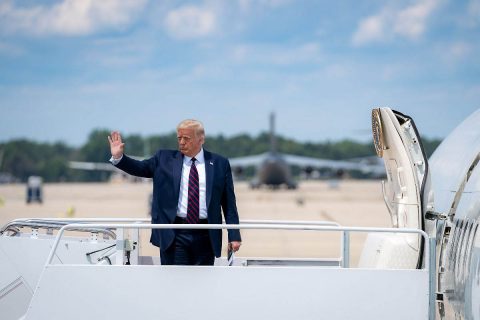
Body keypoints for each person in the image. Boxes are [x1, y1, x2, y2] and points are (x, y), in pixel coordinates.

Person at [108, 119, 241, 265]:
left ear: (201, 139)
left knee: (203, 285)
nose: (182, 142)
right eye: (179, 138)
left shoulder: (219, 163)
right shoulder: (164, 159)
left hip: (206, 235)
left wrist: (234, 235)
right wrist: (119, 157)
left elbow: (229, 203)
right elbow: (139, 168)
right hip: (174, 234)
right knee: (174, 284)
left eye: (186, 138)